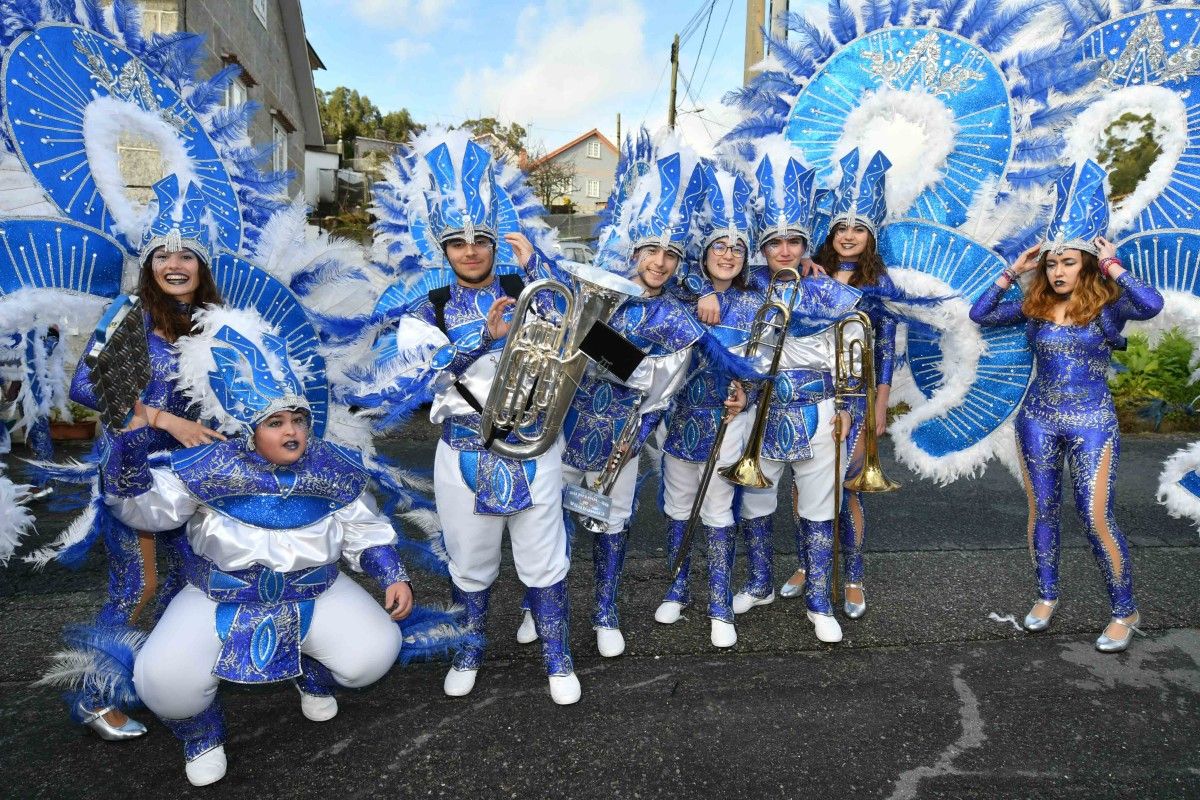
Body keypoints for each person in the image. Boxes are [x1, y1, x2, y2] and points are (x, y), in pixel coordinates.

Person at [101, 308, 412, 786]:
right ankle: (201, 732)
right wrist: (125, 447)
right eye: (275, 422)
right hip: (218, 596)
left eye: (298, 420)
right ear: (249, 429)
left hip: (316, 592)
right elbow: (145, 509)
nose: (291, 432)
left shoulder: (330, 465)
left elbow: (363, 526)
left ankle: (311, 668)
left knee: (374, 655)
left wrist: (392, 572)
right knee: (162, 683)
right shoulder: (209, 466)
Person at [382, 133, 581, 704]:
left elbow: (591, 339)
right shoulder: (430, 306)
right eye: (457, 242)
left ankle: (557, 656)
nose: (470, 251)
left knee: (545, 560)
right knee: (470, 561)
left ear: (496, 241)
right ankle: (469, 646)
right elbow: (417, 377)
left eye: (480, 241)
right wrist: (480, 341)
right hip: (464, 450)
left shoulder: (532, 285)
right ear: (442, 248)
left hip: (534, 447)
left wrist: (540, 268)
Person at [969, 160, 1163, 653]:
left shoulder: (1109, 304)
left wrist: (1115, 264)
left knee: (1096, 514)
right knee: (1043, 511)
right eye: (1051, 263)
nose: (1057, 271)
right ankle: (1046, 596)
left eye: (1068, 262)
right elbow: (981, 313)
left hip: (1093, 422)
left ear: (1088, 264)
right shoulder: (1033, 306)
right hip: (1037, 420)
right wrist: (1015, 270)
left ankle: (1124, 610)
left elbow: (1153, 304)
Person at [64, 175, 227, 741]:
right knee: (141, 585)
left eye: (187, 255)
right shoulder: (131, 314)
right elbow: (85, 387)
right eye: (164, 254)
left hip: (192, 476)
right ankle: (90, 695)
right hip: (134, 469)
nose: (175, 264)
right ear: (150, 262)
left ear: (202, 267)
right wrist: (163, 419)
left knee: (190, 580)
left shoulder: (211, 322)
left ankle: (160, 680)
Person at [730, 144, 868, 645]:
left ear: (806, 243)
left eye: (793, 241)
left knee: (818, 505)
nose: (784, 250)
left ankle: (819, 601)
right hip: (762, 415)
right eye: (773, 242)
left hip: (820, 411)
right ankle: (761, 581)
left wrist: (850, 410)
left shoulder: (829, 291)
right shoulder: (745, 294)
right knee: (758, 503)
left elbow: (852, 357)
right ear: (760, 247)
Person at [778, 148, 898, 619]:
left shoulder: (881, 286)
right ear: (830, 233)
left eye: (859, 230)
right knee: (802, 482)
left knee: (846, 486)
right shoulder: (810, 277)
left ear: (871, 236)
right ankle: (810, 564)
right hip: (812, 394)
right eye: (841, 229)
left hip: (857, 398)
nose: (848, 236)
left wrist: (880, 403)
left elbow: (887, 347)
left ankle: (852, 576)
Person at [654, 163, 755, 648]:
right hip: (677, 422)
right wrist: (698, 300)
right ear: (703, 251)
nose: (728, 254)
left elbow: (763, 365)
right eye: (720, 245)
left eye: (738, 248)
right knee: (676, 505)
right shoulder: (678, 294)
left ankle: (719, 604)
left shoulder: (757, 306)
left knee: (717, 509)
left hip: (727, 421)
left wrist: (747, 393)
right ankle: (677, 588)